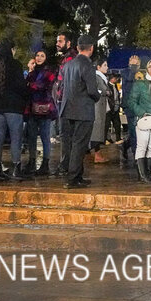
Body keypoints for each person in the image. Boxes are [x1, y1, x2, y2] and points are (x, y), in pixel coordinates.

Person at [0, 36, 30, 181]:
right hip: (13, 107)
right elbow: (20, 86)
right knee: (16, 138)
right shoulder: (15, 65)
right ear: (11, 50)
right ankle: (15, 168)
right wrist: (25, 98)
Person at [58, 35, 100, 189]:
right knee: (79, 144)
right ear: (91, 48)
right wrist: (98, 96)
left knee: (70, 144)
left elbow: (62, 86)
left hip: (68, 108)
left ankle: (77, 175)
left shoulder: (69, 65)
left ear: (77, 48)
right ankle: (73, 178)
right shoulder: (88, 65)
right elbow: (92, 90)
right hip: (83, 109)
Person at [24, 47, 58, 176]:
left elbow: (41, 86)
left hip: (45, 109)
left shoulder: (49, 71)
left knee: (44, 137)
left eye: (42, 56)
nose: (39, 58)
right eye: (37, 55)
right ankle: (32, 161)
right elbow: (27, 86)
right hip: (32, 108)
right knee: (31, 136)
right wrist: (30, 70)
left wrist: (30, 84)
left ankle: (45, 163)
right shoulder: (32, 73)